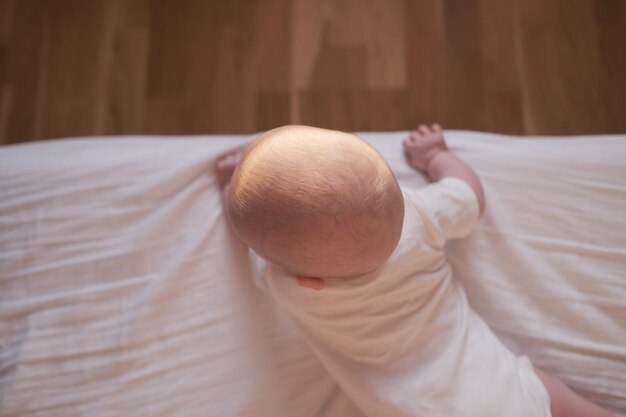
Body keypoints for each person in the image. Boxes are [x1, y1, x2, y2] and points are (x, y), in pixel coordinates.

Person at [215, 124, 615, 417]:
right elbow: (470, 196)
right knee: (558, 401)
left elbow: (251, 241)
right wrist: (436, 156)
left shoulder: (287, 285)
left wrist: (229, 188)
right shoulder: (419, 219)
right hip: (500, 396)